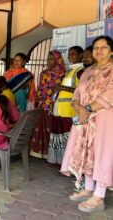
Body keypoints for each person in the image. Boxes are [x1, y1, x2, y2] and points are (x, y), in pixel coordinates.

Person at [61, 36, 113, 213]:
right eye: (96, 47)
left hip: (104, 121)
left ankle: (99, 197)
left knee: (101, 155)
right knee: (86, 152)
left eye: (103, 47)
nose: (99, 50)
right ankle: (89, 188)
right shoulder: (88, 71)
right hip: (84, 121)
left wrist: (87, 109)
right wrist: (77, 106)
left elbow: (109, 95)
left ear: (111, 51)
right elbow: (77, 93)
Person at [48, 46, 83, 164]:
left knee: (68, 139)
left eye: (73, 54)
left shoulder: (81, 71)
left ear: (81, 55)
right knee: (59, 138)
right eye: (69, 54)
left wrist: (62, 87)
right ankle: (60, 162)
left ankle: (69, 164)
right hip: (60, 109)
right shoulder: (70, 71)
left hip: (70, 111)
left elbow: (82, 90)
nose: (70, 57)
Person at [30, 50, 66, 160]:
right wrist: (38, 99)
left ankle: (51, 155)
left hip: (54, 105)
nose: (48, 61)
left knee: (51, 128)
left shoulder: (63, 74)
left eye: (51, 59)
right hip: (42, 104)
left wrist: (51, 102)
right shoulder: (43, 73)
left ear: (57, 60)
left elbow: (61, 91)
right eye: (48, 59)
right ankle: (40, 152)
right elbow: (40, 88)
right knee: (40, 127)